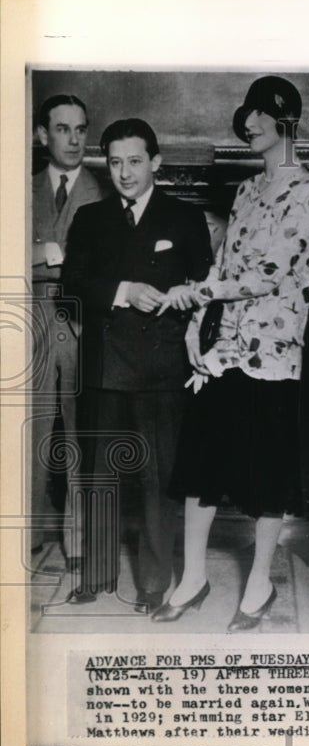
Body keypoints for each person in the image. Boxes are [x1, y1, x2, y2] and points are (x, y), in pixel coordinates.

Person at [152, 76, 309, 631]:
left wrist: (202, 294)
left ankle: (258, 585)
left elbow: (266, 276)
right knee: (200, 467)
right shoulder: (246, 191)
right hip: (226, 350)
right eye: (244, 115)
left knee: (267, 477)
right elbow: (223, 269)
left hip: (274, 356)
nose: (246, 124)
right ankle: (194, 578)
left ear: (284, 121)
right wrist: (193, 329)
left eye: (257, 115)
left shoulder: (308, 193)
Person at [61, 118, 213, 610]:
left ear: (156, 163)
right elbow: (73, 284)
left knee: (156, 480)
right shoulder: (90, 217)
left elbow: (207, 289)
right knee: (99, 475)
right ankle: (97, 573)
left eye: (134, 161)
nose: (125, 172)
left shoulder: (184, 218)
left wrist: (184, 311)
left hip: (162, 367)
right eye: (116, 162)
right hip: (104, 364)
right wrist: (125, 291)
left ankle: (152, 583)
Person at [29, 94, 106, 567]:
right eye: (62, 129)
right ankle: (30, 532)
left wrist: (37, 251)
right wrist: (56, 251)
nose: (74, 139)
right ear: (42, 135)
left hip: (82, 322)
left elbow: (97, 264)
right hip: (31, 322)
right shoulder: (19, 187)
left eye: (81, 129)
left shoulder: (105, 189)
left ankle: (78, 537)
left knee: (83, 432)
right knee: (29, 430)